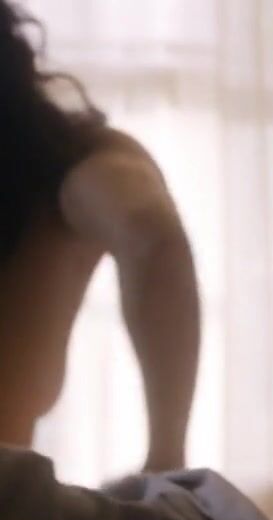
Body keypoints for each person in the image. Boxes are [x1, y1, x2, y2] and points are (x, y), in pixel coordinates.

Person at [0, 1, 199, 471]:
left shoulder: (67, 165)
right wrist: (166, 459)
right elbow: (152, 238)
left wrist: (166, 460)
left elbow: (151, 238)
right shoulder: (71, 162)